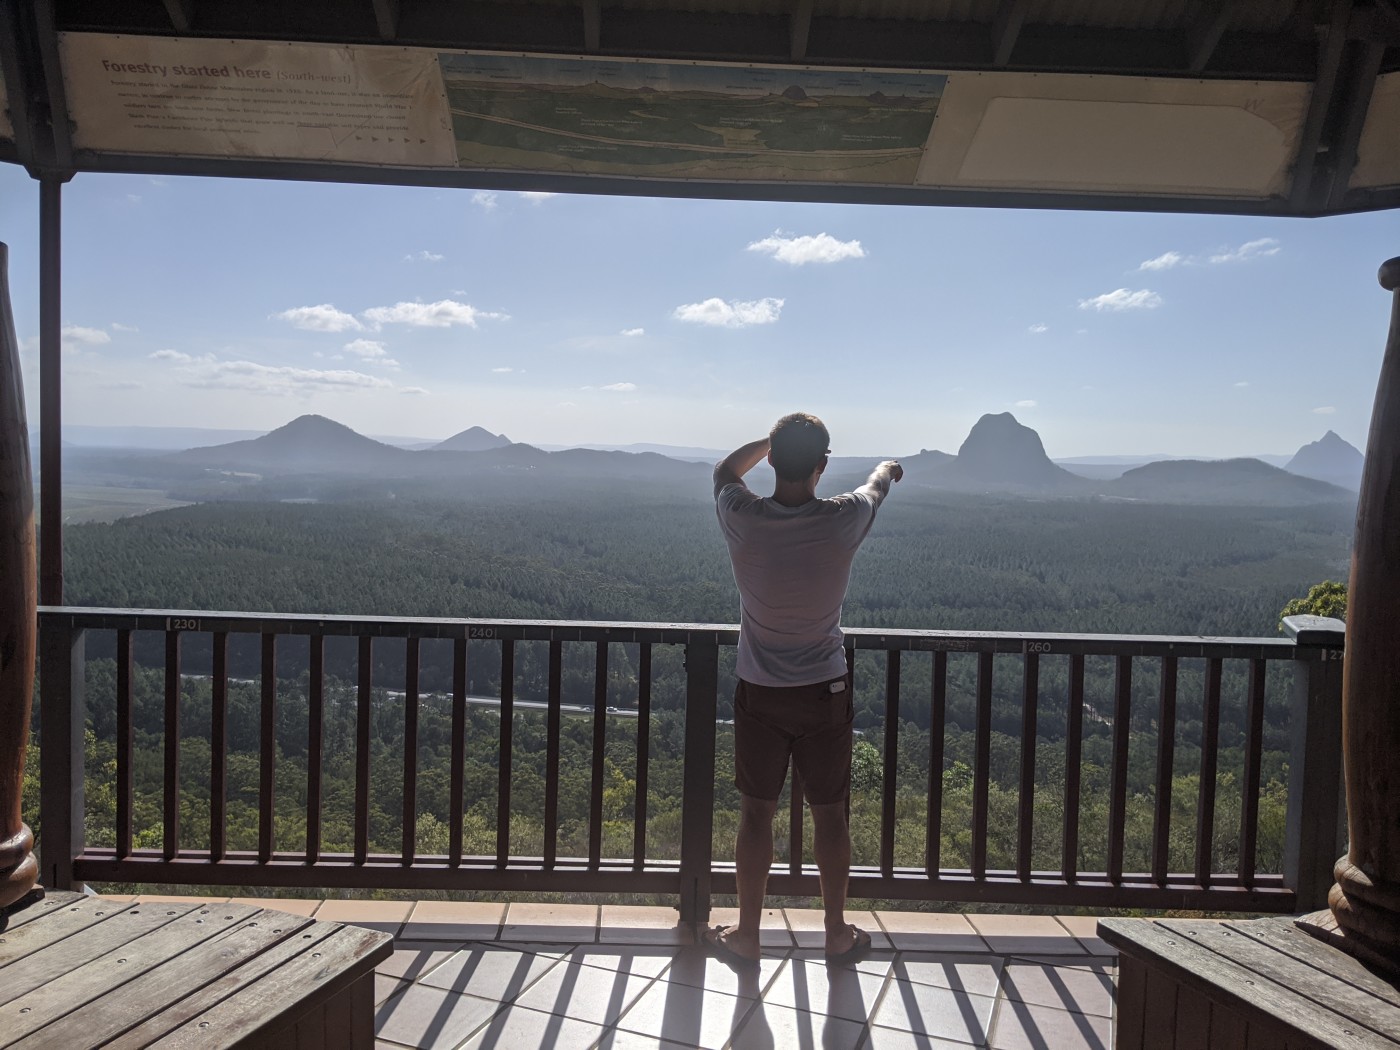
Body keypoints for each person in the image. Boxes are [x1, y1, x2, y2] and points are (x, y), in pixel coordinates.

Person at [706, 412, 902, 968]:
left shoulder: (742, 515)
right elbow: (876, 487)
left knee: (755, 816)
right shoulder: (842, 520)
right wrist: (887, 467)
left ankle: (747, 936)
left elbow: (723, 471)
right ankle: (836, 933)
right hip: (824, 690)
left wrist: (768, 445)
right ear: (822, 466)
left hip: (761, 691)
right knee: (831, 816)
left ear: (770, 459)